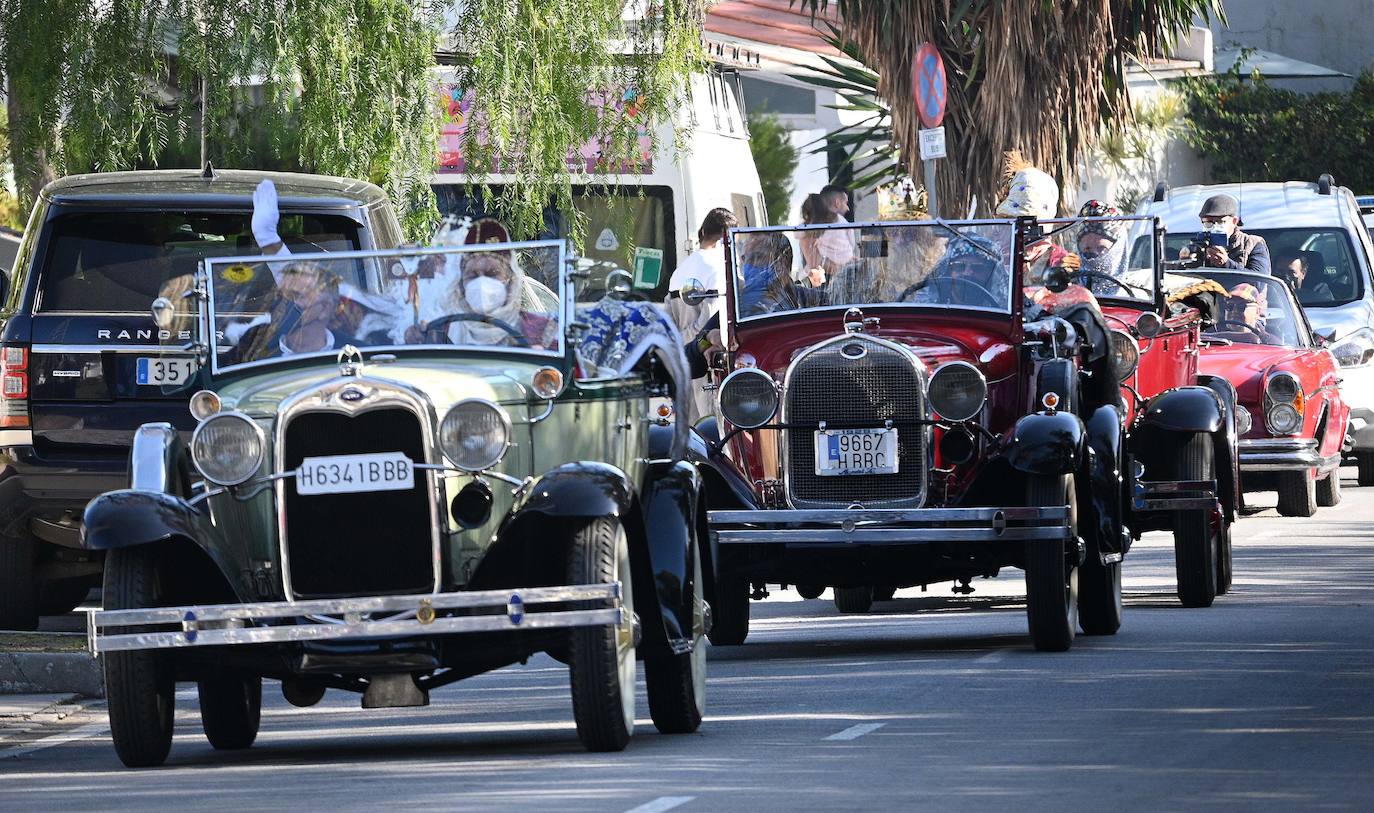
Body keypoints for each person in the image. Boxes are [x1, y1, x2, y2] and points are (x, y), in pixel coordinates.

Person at [1181, 194, 1271, 275]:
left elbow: (1259, 280)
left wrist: (1227, 263)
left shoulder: (1252, 244)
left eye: (1220, 222)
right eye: (1208, 222)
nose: (1214, 227)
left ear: (1234, 221)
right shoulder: (1198, 247)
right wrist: (1186, 263)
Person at [1071, 200, 1131, 296]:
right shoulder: (1067, 292)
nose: (1092, 257)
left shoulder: (1136, 297)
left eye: (1101, 249)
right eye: (1087, 249)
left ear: (1117, 251)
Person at [814, 184, 856, 272]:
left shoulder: (812, 227)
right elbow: (851, 246)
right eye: (846, 203)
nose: (848, 208)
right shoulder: (843, 224)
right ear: (837, 203)